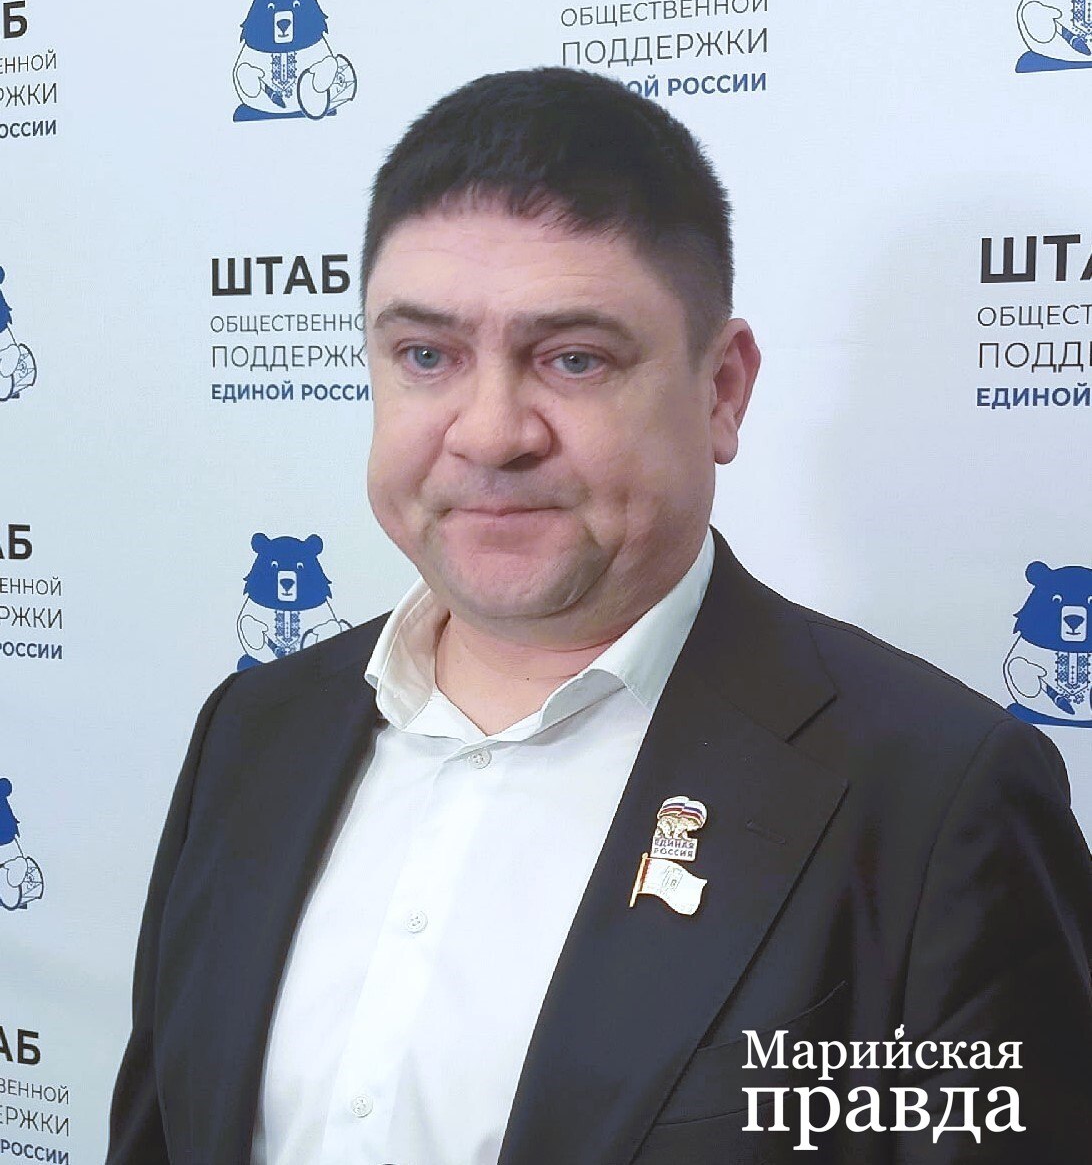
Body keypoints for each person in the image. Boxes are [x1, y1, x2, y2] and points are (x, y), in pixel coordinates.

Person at [107, 68, 1092, 1165]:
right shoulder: (252, 729)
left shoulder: (936, 799)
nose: (491, 433)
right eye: (426, 356)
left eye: (573, 358)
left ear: (722, 390)